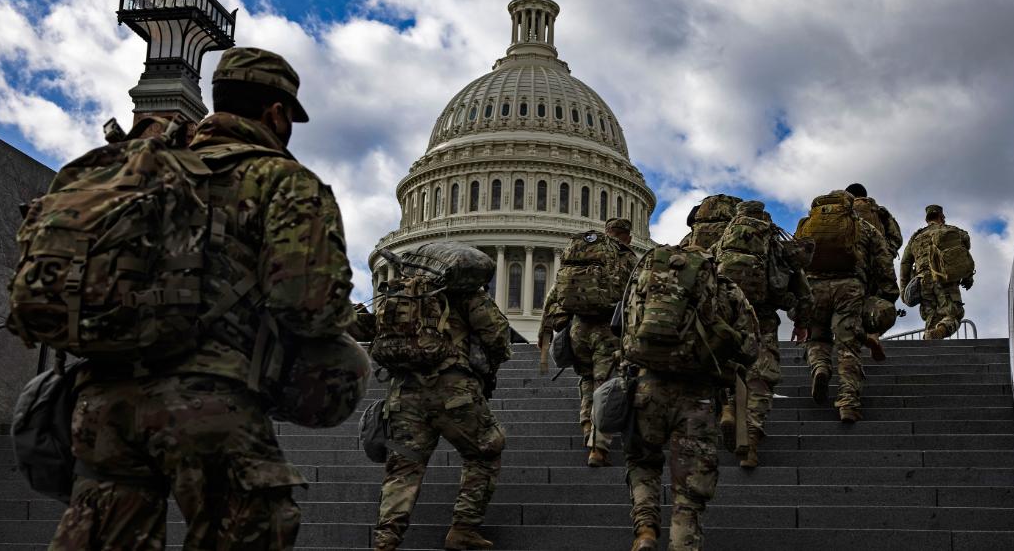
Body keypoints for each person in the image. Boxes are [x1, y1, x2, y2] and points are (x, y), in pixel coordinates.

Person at [49, 47, 357, 550]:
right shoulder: (281, 179)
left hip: (102, 401)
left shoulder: (143, 169)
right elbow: (309, 303)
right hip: (210, 402)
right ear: (276, 114)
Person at [620, 245, 760, 551]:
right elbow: (750, 348)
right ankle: (682, 544)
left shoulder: (646, 283)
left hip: (647, 389)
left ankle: (645, 529)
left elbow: (625, 333)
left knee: (643, 462)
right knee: (691, 486)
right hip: (698, 396)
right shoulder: (727, 290)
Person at [372, 281, 511, 551]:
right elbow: (496, 335)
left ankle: (385, 539)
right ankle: (463, 528)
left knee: (403, 469)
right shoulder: (466, 292)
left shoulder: (402, 294)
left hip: (404, 393)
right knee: (485, 452)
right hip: (454, 392)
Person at [711, 201, 813, 468]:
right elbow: (802, 290)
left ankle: (728, 408)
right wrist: (801, 323)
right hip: (762, 320)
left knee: (727, 369)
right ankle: (751, 441)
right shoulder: (774, 244)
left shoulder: (721, 244)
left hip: (727, 318)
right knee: (760, 379)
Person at [539, 218, 638, 467]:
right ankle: (598, 446)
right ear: (627, 236)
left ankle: (586, 425)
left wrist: (546, 329)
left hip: (578, 327)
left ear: (607, 232)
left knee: (586, 378)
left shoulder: (582, 251)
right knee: (605, 384)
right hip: (608, 328)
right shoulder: (625, 257)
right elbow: (635, 293)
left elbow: (554, 293)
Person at [794, 190, 898, 422]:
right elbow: (884, 264)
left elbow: (795, 263)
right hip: (849, 288)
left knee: (817, 337)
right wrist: (888, 296)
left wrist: (797, 300)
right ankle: (848, 402)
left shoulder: (806, 227)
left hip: (813, 288)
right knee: (847, 346)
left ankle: (820, 367)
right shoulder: (864, 228)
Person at [845, 183, 903, 359]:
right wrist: (888, 253)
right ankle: (873, 335)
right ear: (865, 195)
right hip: (877, 266)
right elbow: (896, 238)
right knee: (877, 304)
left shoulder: (841, 211)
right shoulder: (879, 211)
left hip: (849, 268)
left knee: (849, 305)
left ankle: (849, 347)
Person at [900, 204, 974, 339]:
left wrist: (903, 290)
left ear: (927, 219)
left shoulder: (916, 237)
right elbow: (963, 253)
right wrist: (968, 277)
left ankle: (930, 338)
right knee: (953, 314)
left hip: (923, 282)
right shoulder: (951, 230)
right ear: (942, 216)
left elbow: (905, 262)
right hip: (945, 279)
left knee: (932, 318)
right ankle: (938, 333)